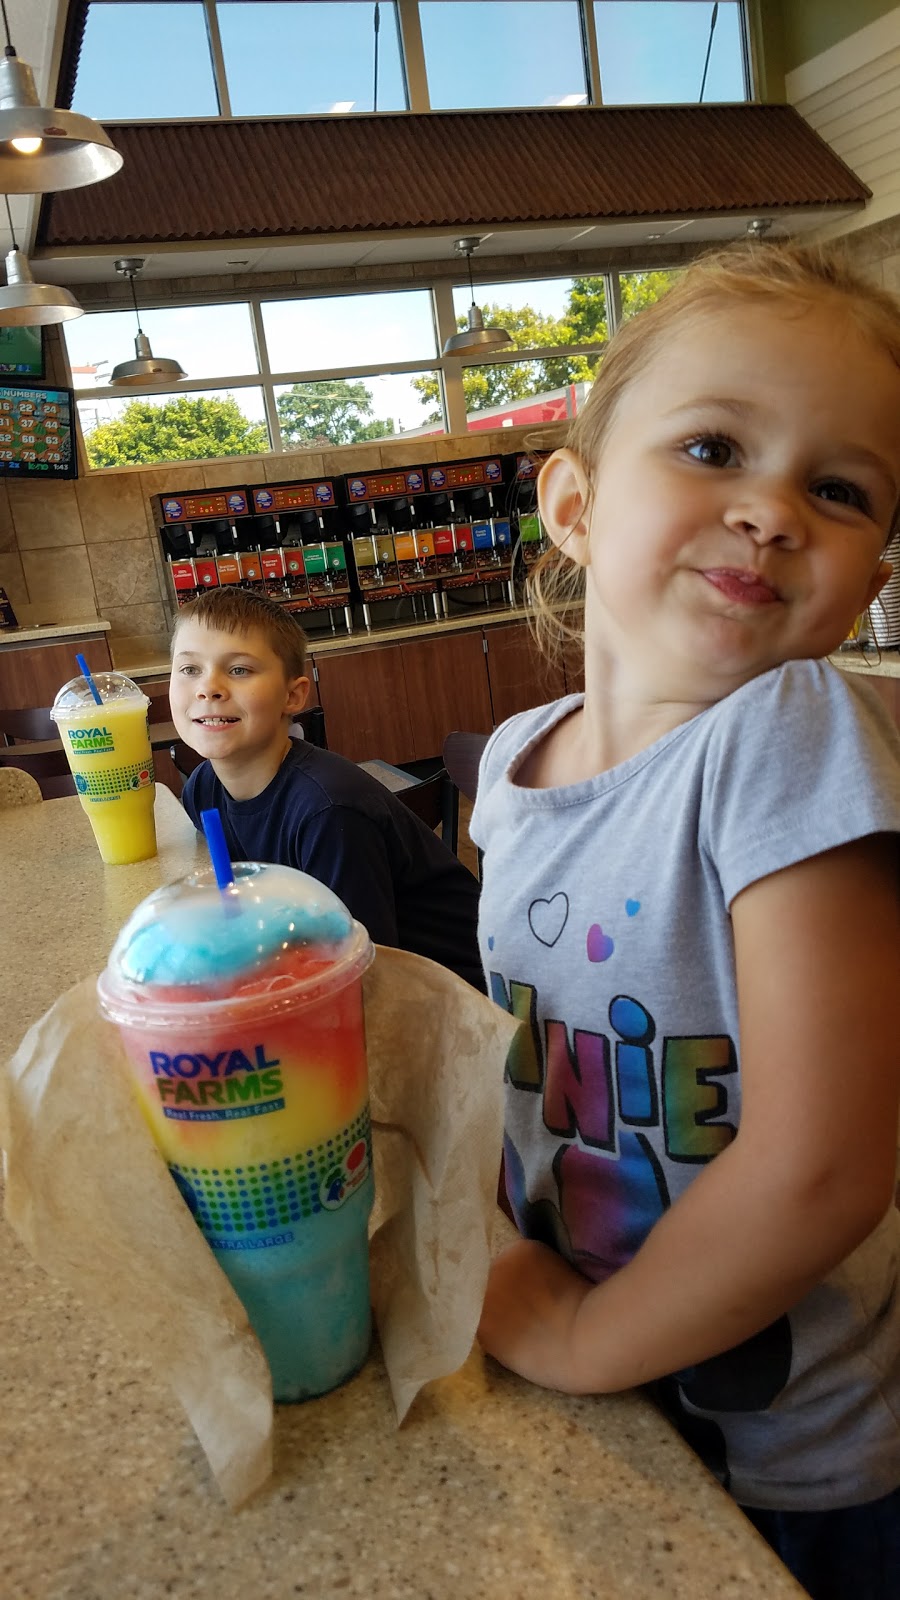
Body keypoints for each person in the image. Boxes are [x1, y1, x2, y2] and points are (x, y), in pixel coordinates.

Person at [471, 241, 900, 1600]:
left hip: (795, 1462)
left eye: (839, 490)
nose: (771, 512)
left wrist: (584, 1340)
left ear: (871, 575)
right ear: (576, 504)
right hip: (615, 1398)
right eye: (714, 448)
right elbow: (529, 1057)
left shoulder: (789, 735)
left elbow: (826, 1169)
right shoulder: (513, 763)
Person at [168, 586, 484, 991]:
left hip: (448, 994)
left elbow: (362, 976)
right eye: (189, 669)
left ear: (293, 695)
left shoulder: (327, 812)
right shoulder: (203, 789)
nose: (208, 687)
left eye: (240, 670)